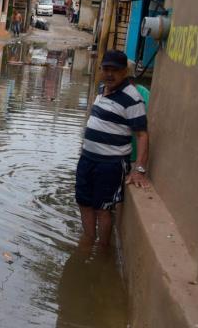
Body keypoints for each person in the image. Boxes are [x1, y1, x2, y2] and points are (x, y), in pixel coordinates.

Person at [76, 50, 150, 248]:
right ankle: (88, 240)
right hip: (88, 159)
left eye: (114, 70)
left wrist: (139, 169)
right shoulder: (102, 89)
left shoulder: (132, 98)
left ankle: (102, 250)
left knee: (103, 208)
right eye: (106, 69)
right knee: (84, 202)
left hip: (111, 164)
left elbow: (142, 135)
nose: (109, 74)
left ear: (125, 71)